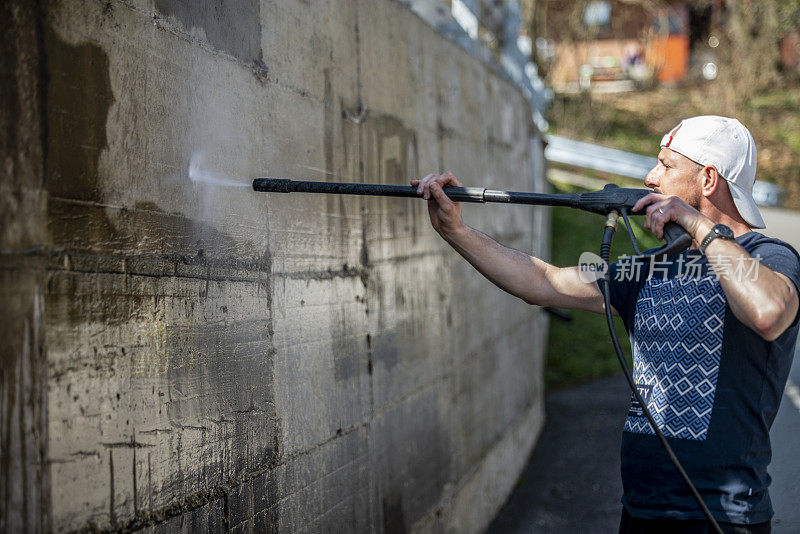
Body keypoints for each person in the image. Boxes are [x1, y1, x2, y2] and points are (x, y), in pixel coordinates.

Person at [412, 116, 800, 533]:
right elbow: (543, 282)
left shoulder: (769, 258)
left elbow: (768, 312)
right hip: (641, 509)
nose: (651, 178)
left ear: (708, 179)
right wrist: (456, 230)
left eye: (666, 166)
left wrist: (698, 225)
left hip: (721, 517)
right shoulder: (652, 268)